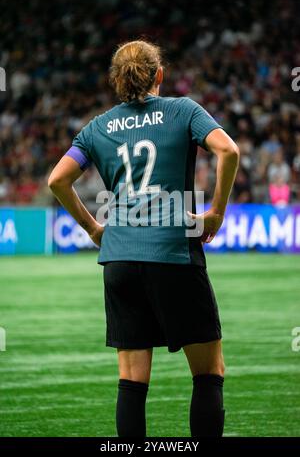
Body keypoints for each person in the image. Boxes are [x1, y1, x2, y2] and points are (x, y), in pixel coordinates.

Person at [48, 40, 239, 438]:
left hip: (119, 258)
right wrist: (216, 212)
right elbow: (229, 151)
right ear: (159, 76)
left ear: (117, 80)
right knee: (208, 373)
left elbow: (57, 180)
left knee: (132, 382)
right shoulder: (183, 111)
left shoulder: (97, 127)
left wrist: (94, 229)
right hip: (173, 253)